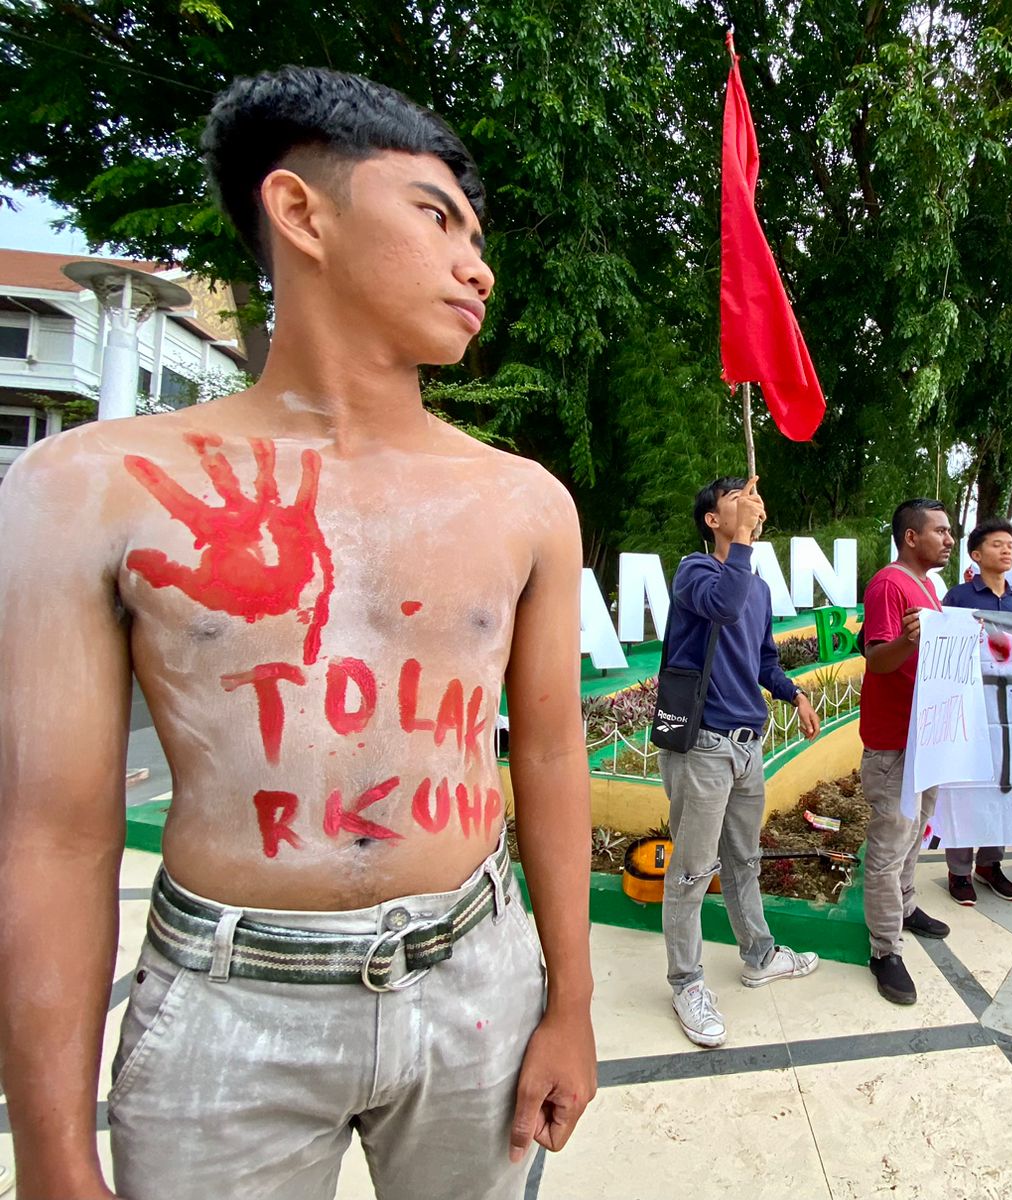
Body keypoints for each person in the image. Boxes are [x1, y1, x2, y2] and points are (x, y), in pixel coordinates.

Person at [0, 68, 595, 1200]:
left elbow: (552, 752)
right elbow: (52, 836)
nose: (477, 266)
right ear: (300, 212)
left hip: (476, 982)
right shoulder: (89, 489)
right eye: (437, 218)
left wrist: (570, 1000)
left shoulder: (524, 502)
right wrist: (51, 1150)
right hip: (227, 1011)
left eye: (478, 240)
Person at [657, 476, 822, 1047]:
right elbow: (723, 606)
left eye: (754, 498)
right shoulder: (695, 572)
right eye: (736, 499)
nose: (751, 503)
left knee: (743, 859)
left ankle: (759, 955)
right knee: (691, 871)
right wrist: (746, 539)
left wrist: (794, 694)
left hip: (748, 746)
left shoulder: (758, 588)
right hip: (703, 746)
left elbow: (763, 660)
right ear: (712, 520)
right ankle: (686, 984)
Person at [859, 499, 956, 1005]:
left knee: (916, 832)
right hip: (894, 742)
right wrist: (910, 640)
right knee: (890, 845)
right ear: (911, 537)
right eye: (940, 531)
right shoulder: (888, 585)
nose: (950, 539)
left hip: (926, 736)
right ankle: (884, 950)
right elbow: (877, 659)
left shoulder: (928, 588)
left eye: (950, 531)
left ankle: (906, 906)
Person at [939, 518, 1012, 906]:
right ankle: (958, 870)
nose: (1006, 550)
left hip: (1006, 708)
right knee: (964, 788)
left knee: (1000, 786)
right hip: (967, 706)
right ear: (976, 555)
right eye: (996, 544)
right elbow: (942, 649)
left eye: (1010, 544)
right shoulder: (958, 598)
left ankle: (991, 864)